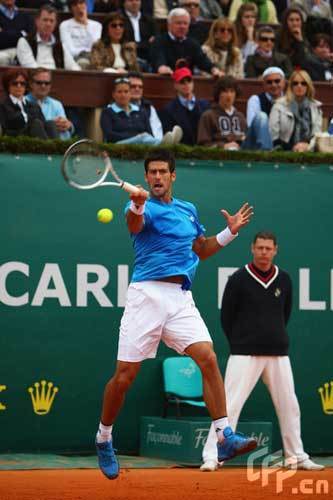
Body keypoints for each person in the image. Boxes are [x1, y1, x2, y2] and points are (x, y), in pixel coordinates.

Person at [95, 147, 257, 480]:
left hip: (180, 298)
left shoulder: (187, 210)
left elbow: (200, 249)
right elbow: (135, 223)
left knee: (208, 358)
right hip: (147, 296)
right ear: (146, 177)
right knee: (124, 377)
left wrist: (229, 232)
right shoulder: (141, 207)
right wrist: (138, 204)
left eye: (161, 172)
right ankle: (104, 436)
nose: (156, 177)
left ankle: (224, 436)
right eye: (151, 172)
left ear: (172, 176)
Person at [200, 231, 325, 472]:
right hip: (244, 353)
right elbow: (227, 316)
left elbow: (284, 313)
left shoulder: (285, 279)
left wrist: (272, 337)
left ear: (275, 250)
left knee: (290, 405)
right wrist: (241, 342)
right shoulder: (238, 278)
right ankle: (212, 456)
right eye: (260, 248)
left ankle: (296, 456)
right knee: (228, 406)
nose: (264, 252)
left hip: (278, 353)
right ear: (252, 249)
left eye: (268, 248)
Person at [198, 76, 272, 150]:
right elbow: (203, 145)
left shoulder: (240, 116)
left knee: (262, 116)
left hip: (243, 150)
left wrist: (242, 139)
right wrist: (223, 146)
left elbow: (246, 138)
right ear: (218, 94)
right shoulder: (208, 115)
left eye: (232, 91)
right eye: (225, 91)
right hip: (222, 153)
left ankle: (266, 155)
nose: (229, 95)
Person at [150, 8, 223, 76]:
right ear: (169, 25)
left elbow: (203, 60)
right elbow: (158, 58)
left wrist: (213, 70)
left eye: (185, 23)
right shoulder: (159, 41)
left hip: (186, 83)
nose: (182, 27)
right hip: (164, 82)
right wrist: (161, 67)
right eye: (178, 23)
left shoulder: (192, 44)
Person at [269, 69, 323, 151]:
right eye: (295, 83)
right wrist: (291, 148)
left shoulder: (315, 107)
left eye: (303, 83)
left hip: (307, 150)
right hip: (283, 150)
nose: (299, 86)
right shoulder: (279, 106)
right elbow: (273, 135)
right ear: (291, 86)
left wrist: (307, 146)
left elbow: (316, 136)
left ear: (308, 86)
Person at [16, 4, 80, 70]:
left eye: (51, 21)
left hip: (58, 78)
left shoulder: (60, 45)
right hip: (36, 79)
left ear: (55, 24)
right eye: (45, 20)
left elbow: (73, 67)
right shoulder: (24, 42)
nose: (48, 24)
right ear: (37, 21)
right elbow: (31, 68)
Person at [0, 67, 58, 139]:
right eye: (15, 83)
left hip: (37, 138)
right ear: (8, 86)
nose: (19, 86)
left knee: (50, 124)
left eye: (22, 83)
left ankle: (55, 148)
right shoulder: (3, 106)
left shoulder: (34, 106)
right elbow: (5, 130)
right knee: (35, 123)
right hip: (17, 141)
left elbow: (43, 125)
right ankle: (48, 148)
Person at [159, 66, 210, 146]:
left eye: (189, 81)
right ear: (175, 85)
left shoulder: (205, 105)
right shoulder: (168, 110)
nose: (186, 84)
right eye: (182, 82)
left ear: (193, 83)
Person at [26, 67, 74, 140]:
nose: (43, 86)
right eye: (39, 83)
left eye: (47, 83)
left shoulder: (57, 104)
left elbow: (65, 131)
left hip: (57, 147)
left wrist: (69, 126)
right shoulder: (23, 101)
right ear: (31, 84)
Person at [59, 0, 102, 69]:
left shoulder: (97, 25)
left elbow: (95, 47)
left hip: (93, 60)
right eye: (75, 4)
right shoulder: (65, 25)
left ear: (86, 5)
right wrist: (83, 53)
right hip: (73, 60)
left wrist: (85, 25)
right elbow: (68, 49)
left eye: (81, 3)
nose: (79, 6)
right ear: (71, 8)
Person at [127, 70, 163, 142]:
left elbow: (157, 132)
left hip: (148, 145)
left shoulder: (149, 107)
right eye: (133, 86)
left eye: (140, 87)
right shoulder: (115, 107)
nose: (137, 89)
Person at [121, 0, 156, 69]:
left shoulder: (149, 20)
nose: (134, 3)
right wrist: (145, 44)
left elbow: (154, 40)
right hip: (125, 57)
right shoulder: (119, 19)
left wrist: (136, 45)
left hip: (147, 57)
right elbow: (123, 41)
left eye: (137, 0)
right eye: (130, 0)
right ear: (124, 3)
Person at [0, 0, 34, 66]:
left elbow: (30, 37)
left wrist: (4, 33)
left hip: (23, 51)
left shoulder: (26, 16)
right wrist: (21, 34)